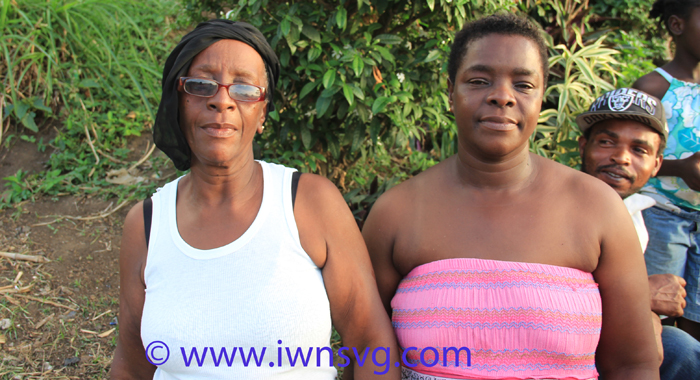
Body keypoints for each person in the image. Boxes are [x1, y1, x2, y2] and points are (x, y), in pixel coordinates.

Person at [363, 13, 660, 380]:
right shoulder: (397, 212)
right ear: (451, 94)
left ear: (541, 99)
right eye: (479, 80)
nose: (501, 96)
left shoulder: (598, 208)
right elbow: (368, 352)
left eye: (523, 84)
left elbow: (634, 365)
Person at [110, 20, 399, 379]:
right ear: (179, 100)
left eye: (245, 89)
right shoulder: (146, 225)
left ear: (262, 113)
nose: (222, 101)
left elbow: (371, 341)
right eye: (202, 85)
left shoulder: (308, 204)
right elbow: (131, 361)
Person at [576, 88, 700, 380]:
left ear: (656, 164)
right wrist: (642, 296)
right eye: (607, 142)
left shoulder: (635, 213)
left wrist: (650, 319)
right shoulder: (553, 206)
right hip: (556, 355)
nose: (620, 157)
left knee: (679, 347)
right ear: (583, 147)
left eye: (639, 150)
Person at [632, 0, 700, 341]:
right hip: (662, 215)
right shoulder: (654, 88)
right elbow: (624, 156)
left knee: (696, 319)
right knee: (654, 316)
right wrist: (681, 168)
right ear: (677, 26)